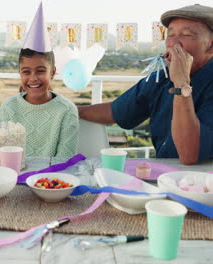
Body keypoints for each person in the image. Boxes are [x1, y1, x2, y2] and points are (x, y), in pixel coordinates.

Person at [78, 4, 213, 165]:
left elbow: (189, 155)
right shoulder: (161, 78)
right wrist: (68, 109)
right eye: (170, 34)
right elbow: (115, 112)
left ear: (211, 45)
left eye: (186, 35)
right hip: (166, 176)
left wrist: (181, 83)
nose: (173, 43)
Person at [0, 3, 79, 158]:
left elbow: (64, 158)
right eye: (26, 72)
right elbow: (2, 154)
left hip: (52, 179)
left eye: (41, 71)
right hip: (13, 177)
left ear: (53, 72)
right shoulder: (8, 107)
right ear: (20, 73)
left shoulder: (66, 111)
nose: (33, 78)